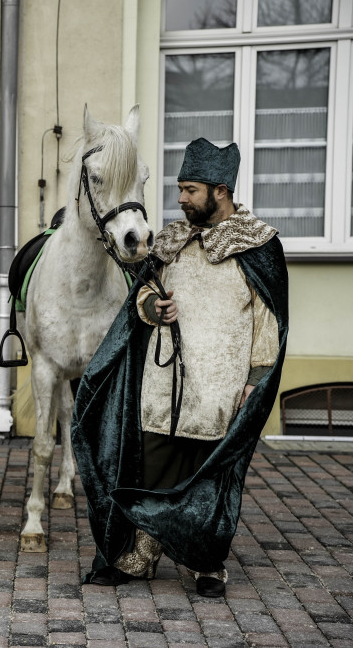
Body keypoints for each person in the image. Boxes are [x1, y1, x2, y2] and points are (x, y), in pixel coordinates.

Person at [72, 138, 288, 598]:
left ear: (220, 190)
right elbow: (143, 293)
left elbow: (269, 321)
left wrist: (256, 381)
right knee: (151, 469)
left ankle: (205, 563)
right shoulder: (169, 240)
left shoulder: (259, 244)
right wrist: (152, 306)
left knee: (208, 477)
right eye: (179, 188)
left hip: (220, 387)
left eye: (189, 190)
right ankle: (141, 555)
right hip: (161, 384)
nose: (180, 199)